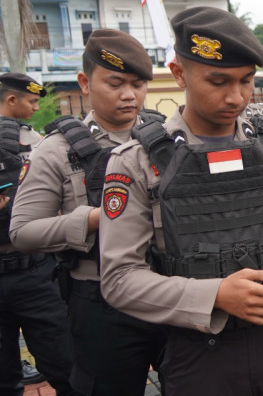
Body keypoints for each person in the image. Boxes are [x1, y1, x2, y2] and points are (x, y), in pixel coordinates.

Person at [99, 6, 263, 395]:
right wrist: (214, 296)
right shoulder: (136, 163)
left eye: (246, 81)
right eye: (218, 81)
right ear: (179, 74)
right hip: (199, 354)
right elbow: (119, 279)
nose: (236, 97)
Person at [9, 30, 167, 396]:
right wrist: (97, 219)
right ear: (85, 83)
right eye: (116, 83)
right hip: (100, 302)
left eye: (138, 84)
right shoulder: (57, 150)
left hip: (169, 288)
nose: (130, 95)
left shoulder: (166, 141)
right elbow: (23, 231)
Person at [0, 73, 74, 396]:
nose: (35, 107)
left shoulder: (38, 142)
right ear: (11, 100)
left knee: (67, 368)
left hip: (35, 270)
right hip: (29, 269)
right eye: (31, 101)